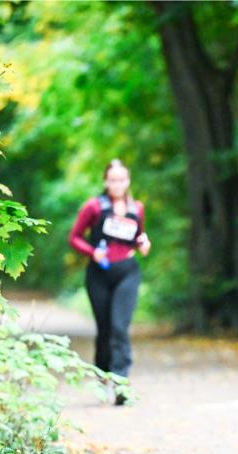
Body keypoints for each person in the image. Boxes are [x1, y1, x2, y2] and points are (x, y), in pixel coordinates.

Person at [69, 158, 151, 404]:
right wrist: (92, 251)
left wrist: (144, 243)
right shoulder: (94, 207)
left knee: (119, 328)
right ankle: (102, 376)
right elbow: (74, 238)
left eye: (122, 179)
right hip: (99, 275)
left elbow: (138, 238)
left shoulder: (137, 208)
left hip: (127, 272)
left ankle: (121, 384)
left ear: (128, 181)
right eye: (113, 179)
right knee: (105, 330)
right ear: (106, 181)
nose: (117, 184)